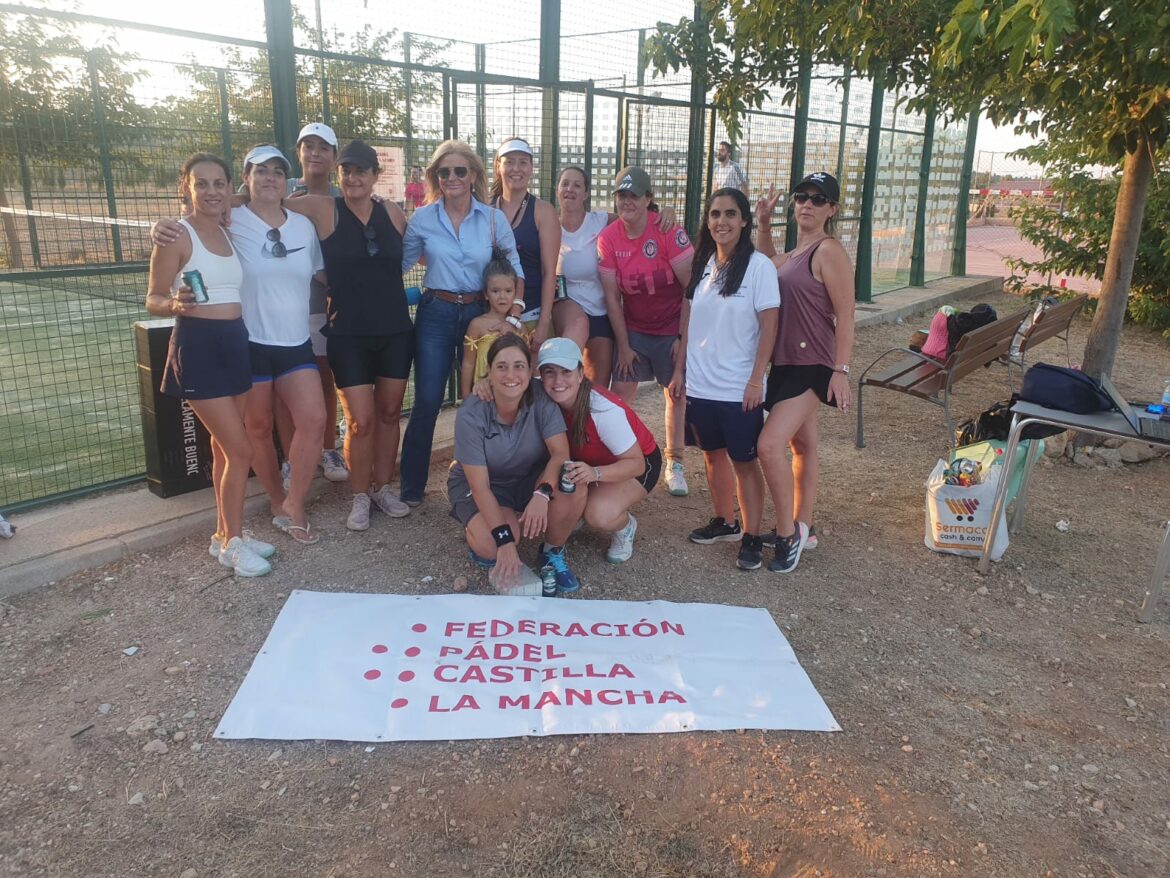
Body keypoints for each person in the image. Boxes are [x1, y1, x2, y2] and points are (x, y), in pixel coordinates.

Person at [144, 153, 273, 577]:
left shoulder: (226, 225)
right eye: (202, 184)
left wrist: (229, 201)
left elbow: (244, 196)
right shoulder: (176, 236)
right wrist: (174, 302)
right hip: (198, 347)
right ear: (187, 188)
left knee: (223, 449)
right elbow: (154, 297)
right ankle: (234, 543)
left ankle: (225, 536)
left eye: (220, 183)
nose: (212, 191)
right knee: (241, 449)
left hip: (235, 343)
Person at [277, 140, 415, 531]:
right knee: (361, 420)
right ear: (339, 175)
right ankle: (359, 495)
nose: (352, 178)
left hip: (395, 330)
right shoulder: (322, 208)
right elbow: (263, 202)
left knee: (390, 414)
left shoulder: (393, 212)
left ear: (375, 176)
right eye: (347, 171)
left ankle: (383, 488)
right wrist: (208, 206)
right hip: (348, 333)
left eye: (361, 171)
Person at [399, 139, 524, 507]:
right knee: (427, 399)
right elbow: (400, 265)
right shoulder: (422, 218)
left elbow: (516, 271)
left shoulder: (491, 218)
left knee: (485, 396)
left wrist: (513, 319)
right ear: (435, 177)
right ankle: (411, 488)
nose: (452, 177)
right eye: (444, 171)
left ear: (473, 175)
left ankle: (490, 482)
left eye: (459, 170)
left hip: (479, 313)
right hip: (435, 312)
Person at [755, 172, 855, 573]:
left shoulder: (828, 251)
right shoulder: (795, 253)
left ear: (832, 209)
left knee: (768, 445)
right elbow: (767, 267)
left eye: (818, 198)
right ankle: (805, 526)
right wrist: (763, 224)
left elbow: (847, 314)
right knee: (803, 446)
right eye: (802, 197)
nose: (807, 204)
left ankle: (787, 533)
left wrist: (840, 369)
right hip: (785, 363)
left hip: (812, 364)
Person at [673, 188, 778, 571]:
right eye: (715, 214)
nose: (722, 221)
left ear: (745, 220)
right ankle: (725, 521)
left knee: (744, 462)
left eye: (730, 214)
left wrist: (755, 381)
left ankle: (751, 535)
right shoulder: (702, 264)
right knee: (713, 457)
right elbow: (690, 322)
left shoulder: (759, 268)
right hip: (701, 385)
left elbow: (769, 328)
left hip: (738, 389)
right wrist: (680, 371)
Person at [229, 144, 327, 544]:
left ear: (287, 180)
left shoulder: (302, 224)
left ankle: (295, 503)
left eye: (277, 171)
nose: (270, 178)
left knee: (314, 420)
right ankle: (274, 499)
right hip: (248, 339)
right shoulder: (231, 218)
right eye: (261, 171)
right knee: (257, 426)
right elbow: (193, 219)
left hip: (295, 340)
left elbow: (322, 275)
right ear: (247, 178)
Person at [448, 335, 586, 593]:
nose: (511, 374)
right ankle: (481, 528)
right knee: (493, 545)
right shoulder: (471, 413)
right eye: (501, 366)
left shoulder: (540, 397)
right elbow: (480, 488)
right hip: (485, 484)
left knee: (574, 487)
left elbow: (560, 453)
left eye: (519, 366)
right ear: (488, 372)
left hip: (527, 479)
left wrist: (542, 494)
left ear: (530, 370)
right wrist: (505, 543)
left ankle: (551, 552)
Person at [598, 165, 693, 497]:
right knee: (620, 394)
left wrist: (683, 339)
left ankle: (675, 462)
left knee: (675, 393)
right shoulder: (609, 238)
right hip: (635, 328)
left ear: (649, 199)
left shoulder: (667, 230)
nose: (627, 202)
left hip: (671, 327)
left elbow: (691, 289)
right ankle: (619, 458)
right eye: (621, 195)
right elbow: (612, 296)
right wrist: (623, 345)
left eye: (634, 195)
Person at [537, 337, 660, 564]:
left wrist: (595, 474)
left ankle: (625, 527)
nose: (557, 381)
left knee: (599, 514)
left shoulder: (602, 408)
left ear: (581, 373)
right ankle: (580, 508)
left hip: (638, 463)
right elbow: (508, 385)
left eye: (566, 371)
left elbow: (637, 463)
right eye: (549, 372)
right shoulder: (542, 395)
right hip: (588, 461)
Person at [555, 166, 677, 390]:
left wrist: (666, 211)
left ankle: (586, 424)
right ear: (556, 190)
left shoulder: (602, 222)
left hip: (600, 311)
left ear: (587, 193)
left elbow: (637, 217)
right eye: (565, 184)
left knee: (597, 387)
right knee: (566, 373)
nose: (570, 189)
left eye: (577, 185)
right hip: (565, 310)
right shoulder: (548, 225)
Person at [284, 122, 348, 485]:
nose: (315, 153)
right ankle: (292, 456)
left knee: (324, 377)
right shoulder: (282, 191)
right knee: (286, 381)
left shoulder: (345, 196)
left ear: (334, 156)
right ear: (299, 152)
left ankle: (326, 448)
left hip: (327, 306)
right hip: (285, 306)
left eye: (323, 147)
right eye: (308, 146)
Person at [490, 137, 587, 350]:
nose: (516, 168)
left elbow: (549, 272)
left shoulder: (543, 211)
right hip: (491, 317)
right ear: (498, 166)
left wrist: (544, 323)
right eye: (509, 161)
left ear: (532, 168)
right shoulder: (484, 209)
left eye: (523, 162)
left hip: (531, 314)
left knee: (534, 380)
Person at [461, 248, 527, 398]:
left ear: (515, 292)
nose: (502, 297)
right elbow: (468, 364)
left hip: (512, 397)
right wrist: (466, 399)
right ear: (485, 293)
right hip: (483, 397)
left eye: (508, 291)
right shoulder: (476, 325)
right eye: (496, 291)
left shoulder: (519, 327)